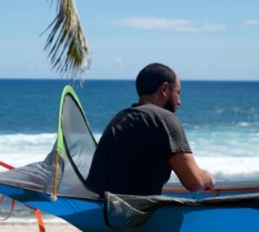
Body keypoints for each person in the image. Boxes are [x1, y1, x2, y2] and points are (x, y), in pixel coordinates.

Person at [86, 63, 215, 196]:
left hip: (99, 207)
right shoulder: (165, 119)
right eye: (177, 93)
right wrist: (208, 177)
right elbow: (194, 182)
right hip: (132, 214)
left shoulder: (119, 118)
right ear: (164, 89)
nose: (179, 102)